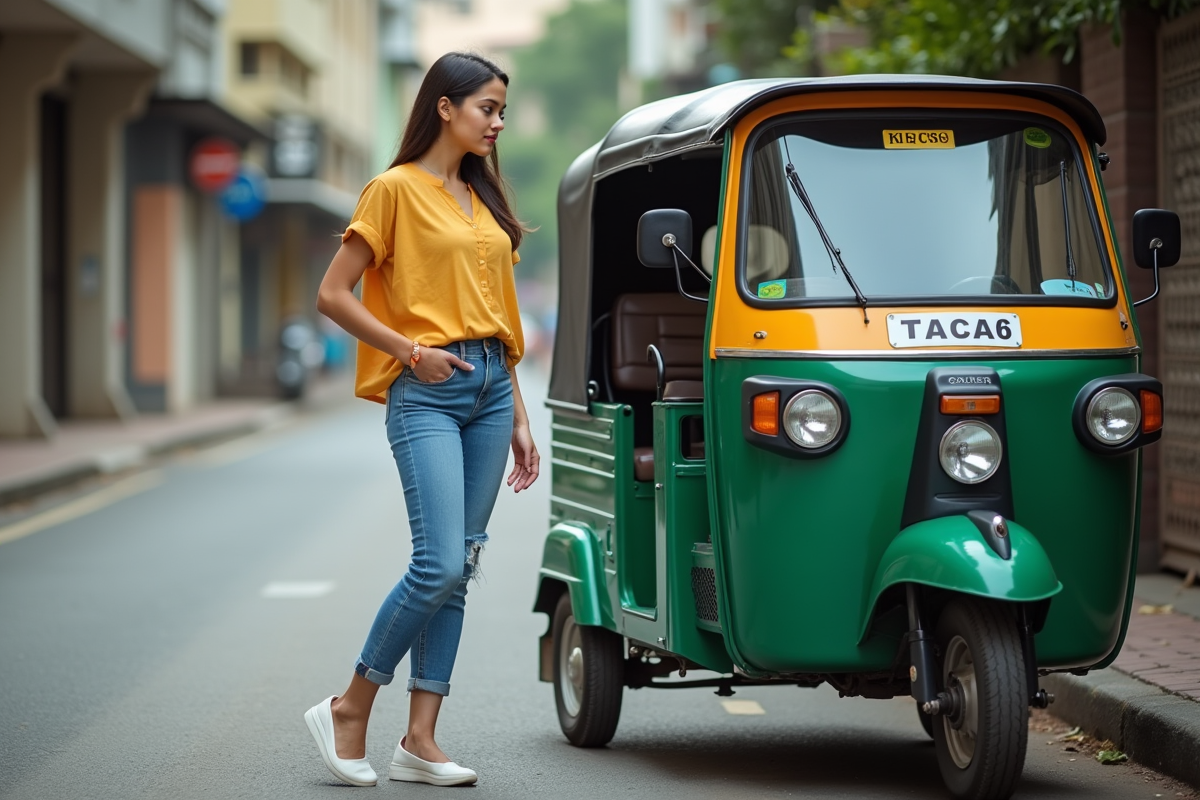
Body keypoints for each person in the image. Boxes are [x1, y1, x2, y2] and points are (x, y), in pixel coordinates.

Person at [305, 51, 539, 788]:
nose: (497, 122)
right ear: (445, 106)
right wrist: (410, 353)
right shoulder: (393, 190)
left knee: (461, 568)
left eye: (502, 111)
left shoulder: (482, 200)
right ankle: (350, 705)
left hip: (492, 390)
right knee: (437, 560)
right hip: (428, 389)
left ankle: (420, 739)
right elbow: (334, 293)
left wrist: (520, 417)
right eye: (487, 108)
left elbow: (499, 319)